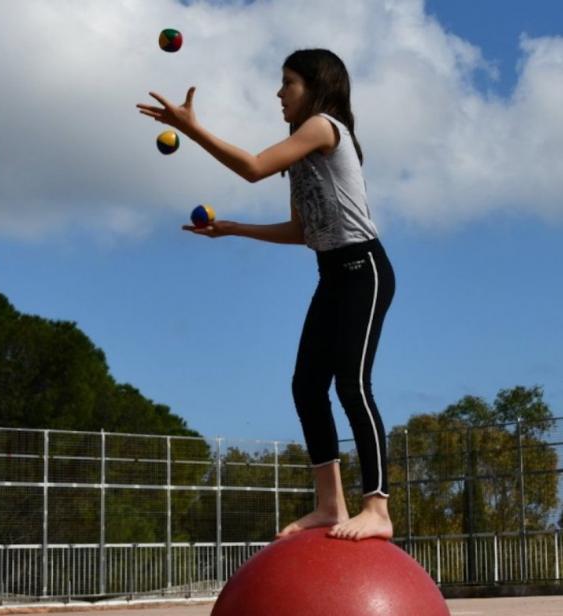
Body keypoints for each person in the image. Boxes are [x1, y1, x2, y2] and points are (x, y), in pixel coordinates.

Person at [138, 48, 395, 541]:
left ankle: (378, 509)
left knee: (352, 384)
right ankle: (330, 505)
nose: (279, 93)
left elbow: (253, 167)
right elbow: (304, 231)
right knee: (306, 385)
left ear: (317, 88)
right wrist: (234, 229)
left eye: (288, 83)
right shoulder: (299, 159)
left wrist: (193, 130)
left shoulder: (323, 126)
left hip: (365, 269)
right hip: (332, 274)